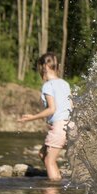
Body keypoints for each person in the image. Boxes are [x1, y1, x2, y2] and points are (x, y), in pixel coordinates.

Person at [17, 51, 72, 182]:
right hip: (70, 125)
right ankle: (57, 177)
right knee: (42, 153)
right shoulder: (65, 83)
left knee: (49, 160)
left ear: (45, 67)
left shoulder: (48, 85)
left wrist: (31, 118)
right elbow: (71, 106)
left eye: (40, 68)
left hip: (59, 127)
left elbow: (52, 109)